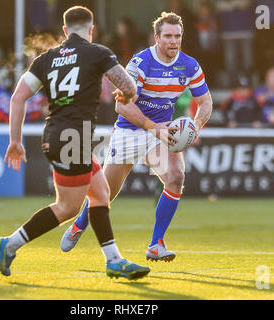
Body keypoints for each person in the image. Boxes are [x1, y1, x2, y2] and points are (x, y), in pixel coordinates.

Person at [0, 6, 150, 280]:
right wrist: (125, 96)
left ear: (65, 31)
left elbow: (17, 98)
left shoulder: (47, 58)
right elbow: (128, 87)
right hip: (73, 139)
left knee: (100, 193)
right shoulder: (98, 52)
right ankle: (11, 243)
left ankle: (113, 260)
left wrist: (15, 141)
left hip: (59, 135)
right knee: (68, 207)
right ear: (92, 30)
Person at [61, 12, 213, 262]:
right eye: (168, 36)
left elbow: (205, 102)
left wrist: (196, 125)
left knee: (175, 178)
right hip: (130, 130)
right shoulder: (140, 63)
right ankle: (79, 223)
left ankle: (156, 244)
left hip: (161, 132)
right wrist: (154, 128)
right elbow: (122, 106)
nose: (173, 41)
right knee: (105, 193)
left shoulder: (189, 65)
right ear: (156, 37)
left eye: (177, 36)